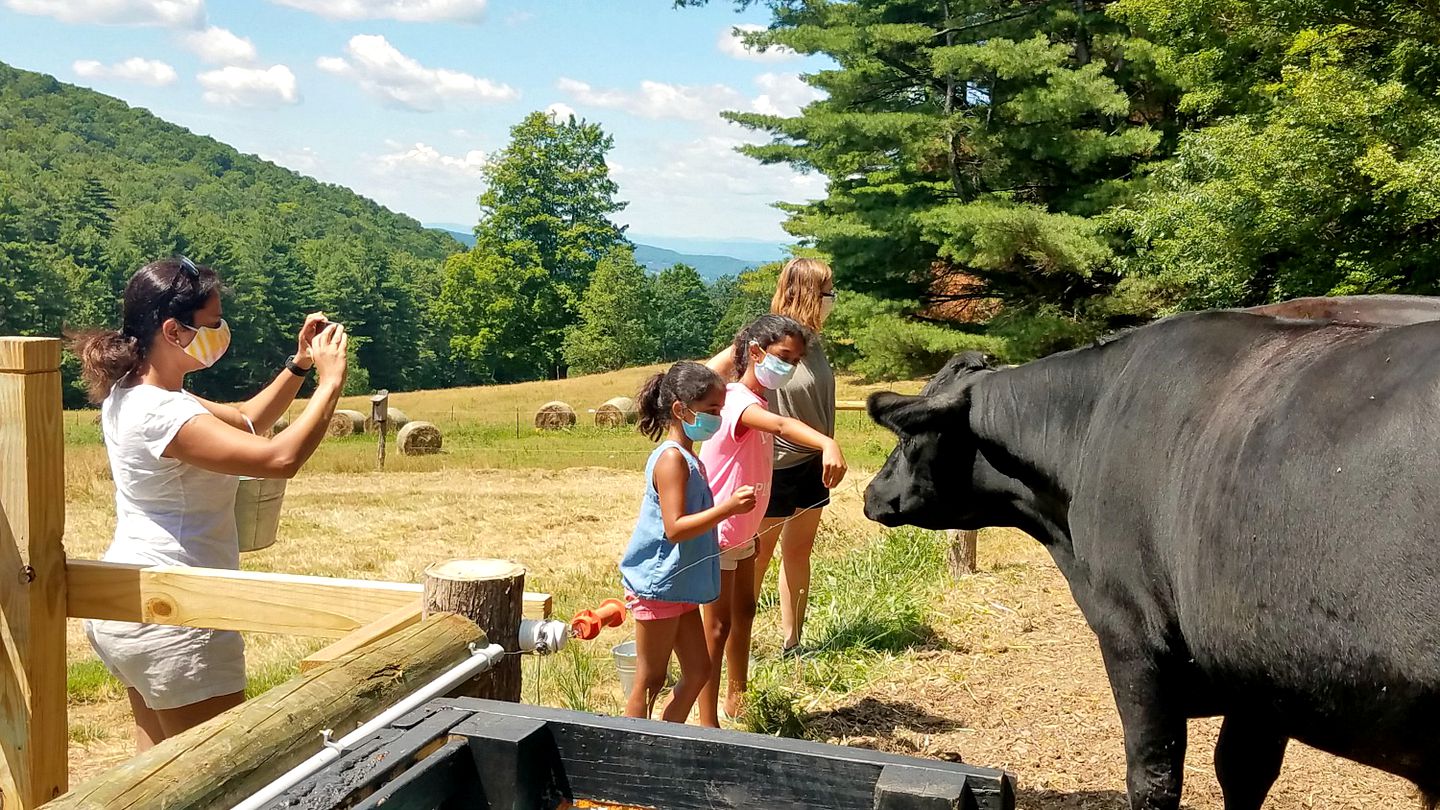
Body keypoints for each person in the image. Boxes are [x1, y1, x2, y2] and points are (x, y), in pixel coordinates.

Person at [71, 256, 349, 751]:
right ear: (174, 331)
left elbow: (246, 420)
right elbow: (279, 457)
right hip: (179, 614)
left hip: (134, 603)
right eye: (213, 323)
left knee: (157, 781)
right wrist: (330, 384)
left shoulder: (135, 393)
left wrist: (300, 363)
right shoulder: (161, 412)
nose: (222, 332)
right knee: (221, 776)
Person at [697, 314, 846, 726]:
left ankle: (737, 695)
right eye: (784, 357)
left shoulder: (757, 399)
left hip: (742, 531)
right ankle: (707, 719)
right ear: (756, 352)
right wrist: (826, 441)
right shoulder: (737, 401)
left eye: (796, 360)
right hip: (721, 532)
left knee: (744, 610)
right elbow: (781, 424)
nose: (790, 367)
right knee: (716, 625)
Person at [706, 257, 838, 652]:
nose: (833, 299)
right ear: (808, 293)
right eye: (828, 291)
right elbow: (708, 376)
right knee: (754, 561)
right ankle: (730, 644)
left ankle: (792, 642)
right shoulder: (766, 339)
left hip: (812, 466)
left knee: (798, 554)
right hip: (774, 468)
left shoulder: (812, 343)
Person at [619, 361, 758, 721]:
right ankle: (635, 749)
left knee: (699, 671)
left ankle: (669, 737)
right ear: (681, 409)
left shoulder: (690, 458)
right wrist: (728, 508)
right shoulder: (671, 460)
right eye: (712, 410)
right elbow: (675, 527)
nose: (718, 418)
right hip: (658, 586)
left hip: (679, 586)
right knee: (650, 678)